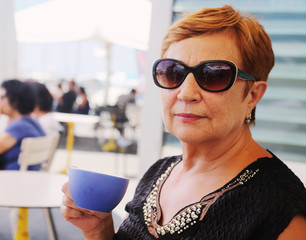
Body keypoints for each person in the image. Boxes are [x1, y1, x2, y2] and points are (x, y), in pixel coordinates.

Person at [61, 5, 306, 239]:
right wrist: (99, 231)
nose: (186, 93)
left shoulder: (281, 207)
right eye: (172, 72)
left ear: (252, 95)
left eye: (214, 75)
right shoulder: (158, 173)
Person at [0, 79, 45, 170]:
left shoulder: (19, 127)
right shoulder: (31, 122)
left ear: (15, 100)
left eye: (2, 97)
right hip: (27, 178)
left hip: (10, 179)